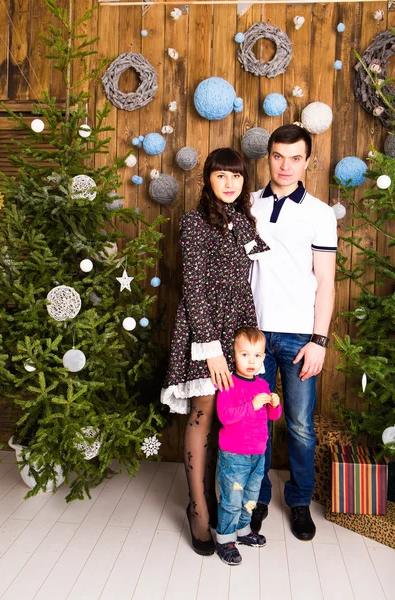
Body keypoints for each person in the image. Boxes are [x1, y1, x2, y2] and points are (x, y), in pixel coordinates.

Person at [161, 148, 270, 556]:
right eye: (221, 175)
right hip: (204, 329)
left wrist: (247, 343)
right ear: (208, 179)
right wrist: (210, 350)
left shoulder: (245, 224)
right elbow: (194, 289)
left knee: (235, 414)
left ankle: (225, 501)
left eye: (236, 176)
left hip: (238, 331)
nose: (229, 183)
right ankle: (198, 508)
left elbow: (247, 286)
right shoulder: (193, 223)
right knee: (204, 412)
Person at [249, 124, 337, 541]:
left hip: (301, 337)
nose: (286, 166)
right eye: (278, 156)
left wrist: (319, 341)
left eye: (295, 158)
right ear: (268, 157)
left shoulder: (319, 212)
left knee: (300, 425)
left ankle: (300, 502)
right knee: (257, 425)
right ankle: (258, 497)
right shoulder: (247, 204)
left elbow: (326, 280)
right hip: (255, 338)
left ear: (307, 161)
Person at [215, 326, 282, 566]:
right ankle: (224, 539)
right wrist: (251, 406)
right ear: (234, 355)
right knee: (232, 499)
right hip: (234, 455)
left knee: (250, 498)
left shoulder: (262, 385)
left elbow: (273, 417)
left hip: (258, 454)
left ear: (264, 357)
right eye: (245, 355)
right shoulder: (228, 383)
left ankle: (242, 532)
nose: (251, 361)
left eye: (257, 356)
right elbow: (225, 416)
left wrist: (274, 403)